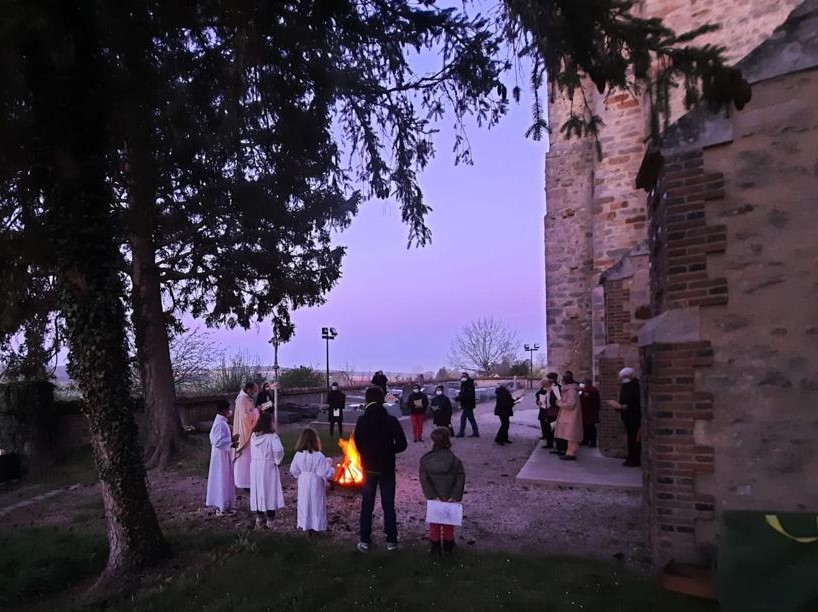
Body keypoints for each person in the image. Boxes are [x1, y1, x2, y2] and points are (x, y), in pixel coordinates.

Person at [354, 386, 408, 552]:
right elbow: (402, 444)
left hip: (368, 467)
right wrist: (388, 451)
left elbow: (357, 443)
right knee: (388, 505)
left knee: (367, 505)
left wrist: (366, 454)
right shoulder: (391, 421)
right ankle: (391, 541)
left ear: (367, 400)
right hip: (387, 467)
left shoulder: (362, 421)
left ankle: (365, 540)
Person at [419, 427, 465, 557]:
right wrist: (455, 496)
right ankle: (448, 548)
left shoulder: (426, 460)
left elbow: (424, 479)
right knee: (449, 524)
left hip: (434, 497)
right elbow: (460, 478)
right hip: (449, 496)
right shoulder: (455, 460)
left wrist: (432, 496)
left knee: (434, 524)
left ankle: (435, 549)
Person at [290, 427, 335, 533]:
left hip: (304, 480)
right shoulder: (319, 456)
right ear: (316, 440)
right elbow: (323, 472)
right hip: (315, 481)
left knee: (304, 502)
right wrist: (331, 469)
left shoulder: (298, 454)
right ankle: (316, 525)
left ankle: (304, 524)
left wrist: (300, 476)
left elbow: (293, 469)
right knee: (316, 503)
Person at [249, 412, 285, 528]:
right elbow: (278, 450)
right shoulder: (272, 437)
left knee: (257, 490)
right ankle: (270, 519)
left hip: (255, 466)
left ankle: (259, 517)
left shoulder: (254, 436)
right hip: (267, 466)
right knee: (269, 492)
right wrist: (277, 461)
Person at [205, 400, 238, 515]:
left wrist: (231, 441)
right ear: (224, 410)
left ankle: (225, 503)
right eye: (228, 409)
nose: (230, 411)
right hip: (220, 455)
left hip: (222, 453)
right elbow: (217, 441)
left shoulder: (221, 422)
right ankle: (221, 505)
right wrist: (231, 442)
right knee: (221, 477)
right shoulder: (219, 423)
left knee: (225, 477)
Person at [233, 380, 259, 489]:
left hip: (247, 430)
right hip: (244, 432)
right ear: (249, 389)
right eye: (254, 390)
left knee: (248, 458)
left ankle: (248, 482)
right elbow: (246, 417)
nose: (255, 392)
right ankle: (244, 483)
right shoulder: (242, 399)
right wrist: (257, 411)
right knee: (245, 458)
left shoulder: (246, 398)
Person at [615, 367, 642, 467]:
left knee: (635, 439)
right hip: (627, 417)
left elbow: (638, 403)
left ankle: (635, 459)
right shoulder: (625, 386)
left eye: (624, 377)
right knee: (630, 439)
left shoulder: (636, 387)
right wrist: (619, 407)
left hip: (634, 418)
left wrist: (626, 406)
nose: (622, 379)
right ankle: (630, 457)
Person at [555, 371, 583, 461]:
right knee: (569, 436)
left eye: (561, 380)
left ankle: (571, 453)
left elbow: (571, 405)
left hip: (571, 417)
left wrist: (559, 403)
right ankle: (569, 452)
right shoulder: (569, 390)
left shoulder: (571, 391)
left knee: (572, 436)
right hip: (568, 416)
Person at [545, 372, 566, 455]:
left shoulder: (556, 388)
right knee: (551, 429)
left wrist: (550, 403)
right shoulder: (551, 387)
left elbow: (558, 400)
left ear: (553, 379)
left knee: (556, 430)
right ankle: (555, 446)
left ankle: (560, 448)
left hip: (555, 412)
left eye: (548, 378)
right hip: (550, 411)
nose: (547, 380)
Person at [455, 372, 479, 438]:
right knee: (471, 418)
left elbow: (467, 395)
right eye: (462, 376)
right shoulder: (464, 384)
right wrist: (459, 397)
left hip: (468, 404)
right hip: (467, 404)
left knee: (463, 418)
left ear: (467, 377)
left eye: (464, 376)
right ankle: (475, 432)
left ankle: (462, 433)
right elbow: (462, 393)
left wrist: (459, 398)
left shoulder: (469, 385)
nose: (462, 377)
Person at [579, 378, 601, 447]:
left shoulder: (593, 390)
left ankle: (593, 442)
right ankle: (585, 440)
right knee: (584, 426)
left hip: (591, 411)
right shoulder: (582, 390)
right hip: (584, 411)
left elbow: (596, 401)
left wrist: (589, 396)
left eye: (585, 383)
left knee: (591, 427)